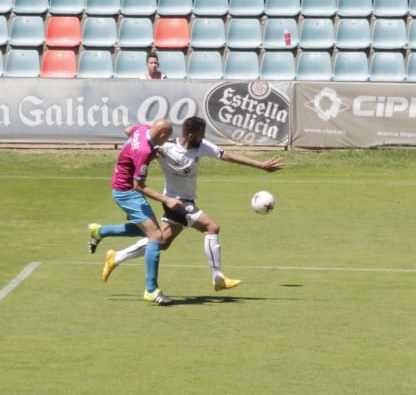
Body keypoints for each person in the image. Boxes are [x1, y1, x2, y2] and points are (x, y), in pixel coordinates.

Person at [101, 116, 283, 293]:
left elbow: (228, 156)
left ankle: (116, 257)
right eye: (200, 134)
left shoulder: (202, 147)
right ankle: (218, 278)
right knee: (211, 227)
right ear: (189, 135)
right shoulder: (165, 146)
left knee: (161, 242)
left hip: (187, 200)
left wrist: (260, 165)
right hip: (175, 202)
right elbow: (140, 148)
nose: (203, 137)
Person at [86, 119, 178, 305]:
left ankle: (100, 231)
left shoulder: (142, 129)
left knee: (146, 230)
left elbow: (128, 130)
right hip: (127, 192)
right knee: (155, 236)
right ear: (161, 135)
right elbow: (139, 186)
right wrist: (166, 199)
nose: (167, 141)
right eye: (167, 138)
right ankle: (151, 290)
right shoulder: (143, 151)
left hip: (122, 187)